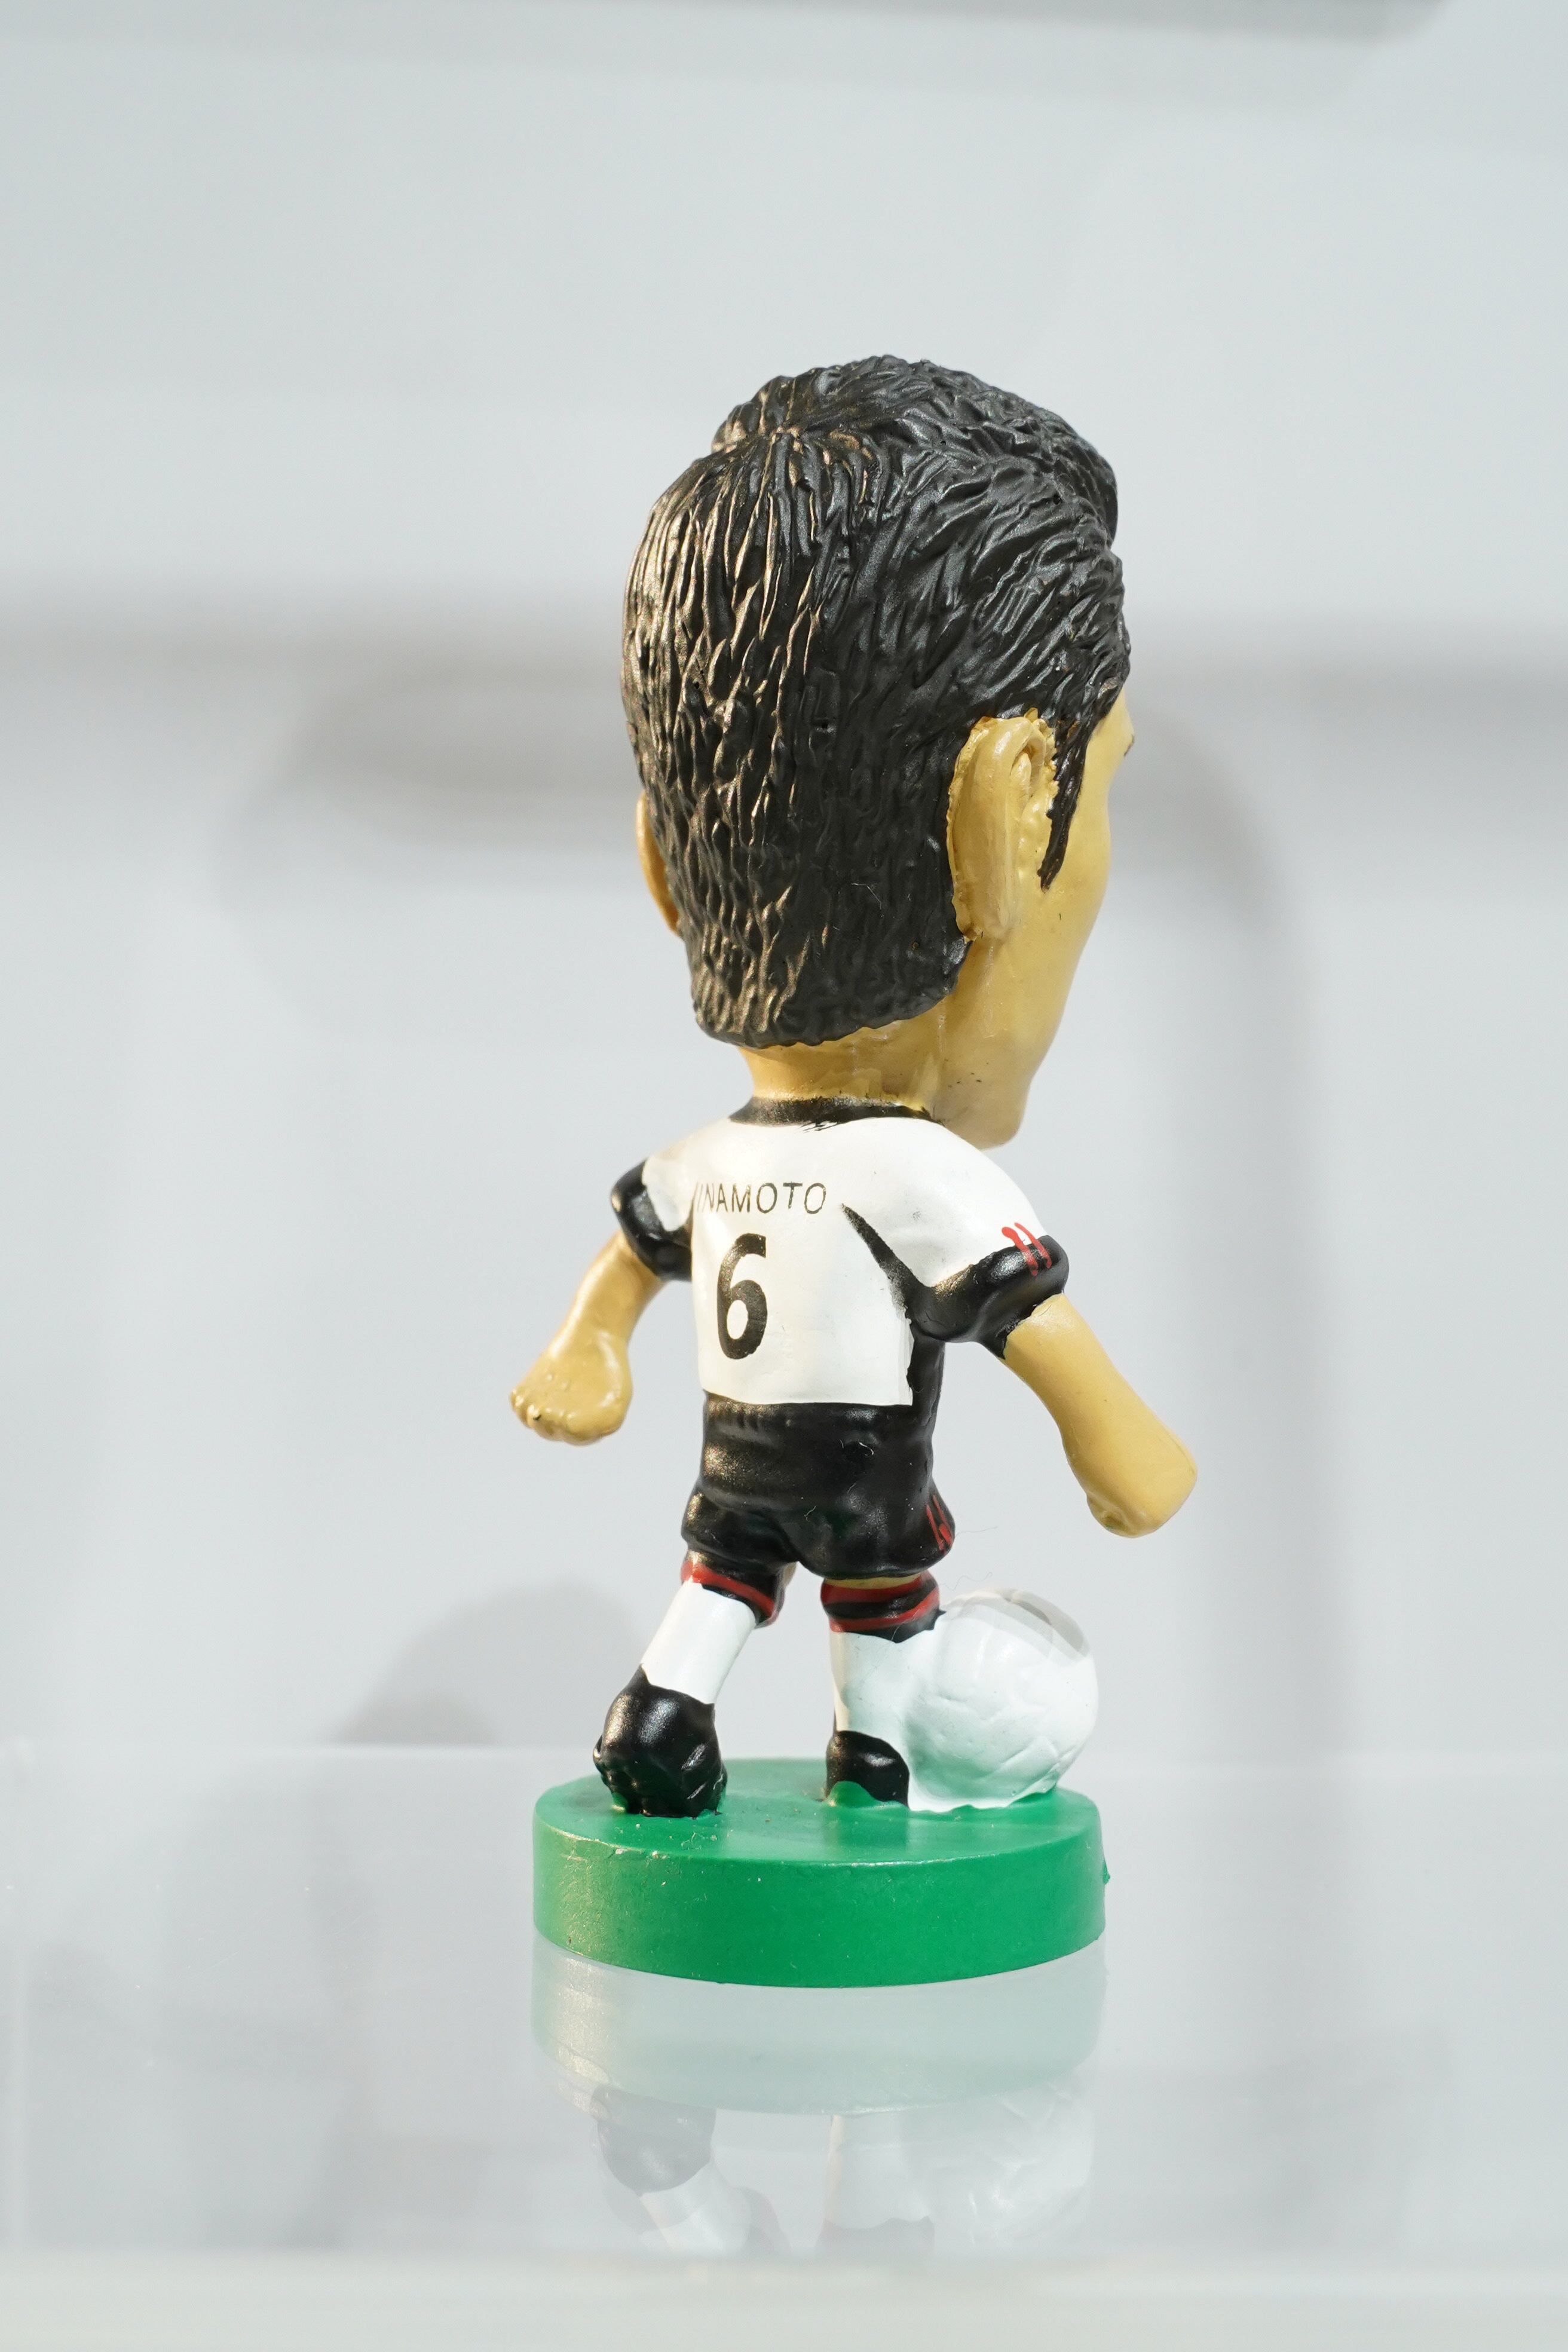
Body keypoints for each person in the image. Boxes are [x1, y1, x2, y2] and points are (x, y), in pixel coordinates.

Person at [512, 358, 1195, 1818]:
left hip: (736, 1458)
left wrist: (589, 1350)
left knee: (723, 1579)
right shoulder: (913, 1173)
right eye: (1105, 792)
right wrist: (1115, 1435)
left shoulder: (713, 1152)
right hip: (862, 1461)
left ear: (660, 866)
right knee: (881, 1592)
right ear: (1009, 817)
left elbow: (636, 1248)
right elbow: (1024, 1318)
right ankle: (869, 1751)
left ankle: (671, 1704)